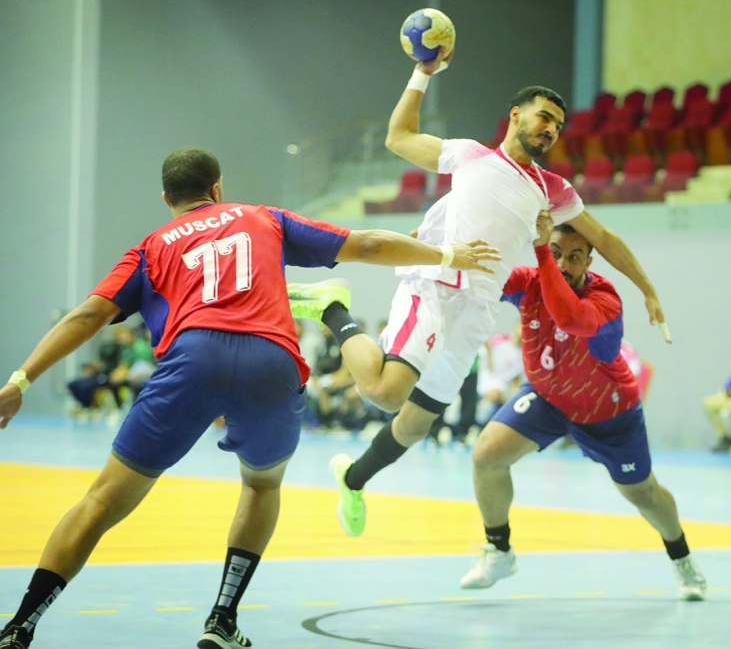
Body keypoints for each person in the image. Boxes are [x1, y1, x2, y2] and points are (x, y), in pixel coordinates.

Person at [0, 147, 500, 649]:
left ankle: (20, 626)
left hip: (192, 359)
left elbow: (86, 316)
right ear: (217, 188)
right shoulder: (264, 218)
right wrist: (449, 255)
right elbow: (367, 245)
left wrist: (18, 383)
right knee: (261, 486)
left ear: (166, 198)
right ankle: (223, 617)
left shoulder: (150, 248)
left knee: (103, 500)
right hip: (271, 361)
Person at [288, 46, 667, 538]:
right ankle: (334, 308)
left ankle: (353, 479)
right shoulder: (469, 154)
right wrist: (422, 73)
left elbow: (605, 240)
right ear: (516, 115)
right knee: (385, 393)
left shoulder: (552, 188)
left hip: (477, 313)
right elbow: (398, 137)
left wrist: (647, 289)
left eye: (558, 124)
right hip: (438, 286)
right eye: (544, 117)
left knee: (414, 425)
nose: (551, 129)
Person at [459, 215, 706, 600]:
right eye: (555, 252)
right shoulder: (529, 282)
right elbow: (479, 277)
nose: (562, 264)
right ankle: (500, 550)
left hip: (608, 414)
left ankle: (682, 558)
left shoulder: (605, 302)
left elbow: (569, 316)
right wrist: (434, 248)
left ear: (590, 262)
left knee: (643, 494)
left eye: (575, 257)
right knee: (486, 455)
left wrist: (541, 250)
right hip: (548, 399)